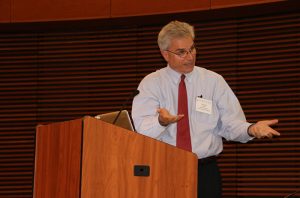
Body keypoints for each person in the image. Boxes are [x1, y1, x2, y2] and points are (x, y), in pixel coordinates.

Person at [131, 20, 280, 198]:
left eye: (192, 49)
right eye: (181, 52)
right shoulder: (151, 83)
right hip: (162, 169)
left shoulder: (214, 81)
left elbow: (231, 125)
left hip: (205, 171)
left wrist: (250, 129)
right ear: (165, 54)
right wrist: (160, 122)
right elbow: (141, 130)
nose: (190, 56)